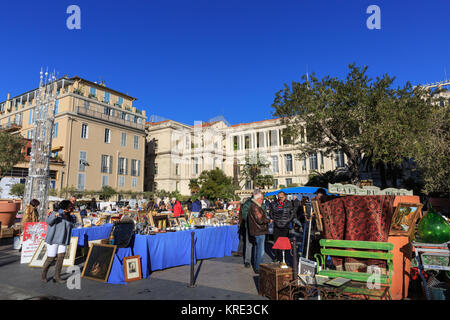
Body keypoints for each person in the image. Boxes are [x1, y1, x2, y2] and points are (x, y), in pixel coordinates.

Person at [41, 200, 77, 283]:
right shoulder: (55, 213)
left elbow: (72, 225)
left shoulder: (68, 215)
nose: (71, 208)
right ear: (65, 206)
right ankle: (43, 274)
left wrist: (73, 219)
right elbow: (48, 222)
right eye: (69, 206)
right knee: (51, 258)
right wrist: (55, 216)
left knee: (61, 257)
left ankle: (57, 276)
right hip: (53, 239)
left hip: (63, 239)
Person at [247, 190, 272, 273]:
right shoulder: (255, 207)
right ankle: (258, 267)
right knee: (260, 250)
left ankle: (256, 266)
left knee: (257, 249)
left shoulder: (254, 206)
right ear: (257, 199)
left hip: (257, 230)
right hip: (259, 230)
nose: (262, 200)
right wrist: (269, 221)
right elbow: (260, 220)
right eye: (261, 199)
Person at [269, 191, 295, 262]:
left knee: (284, 242)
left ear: (285, 196)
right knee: (276, 242)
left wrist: (288, 220)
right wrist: (274, 219)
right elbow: (270, 213)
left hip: (285, 225)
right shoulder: (273, 203)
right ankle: (277, 257)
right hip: (277, 225)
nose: (280, 199)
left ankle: (284, 258)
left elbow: (292, 213)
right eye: (279, 197)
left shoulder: (289, 203)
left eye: (282, 197)